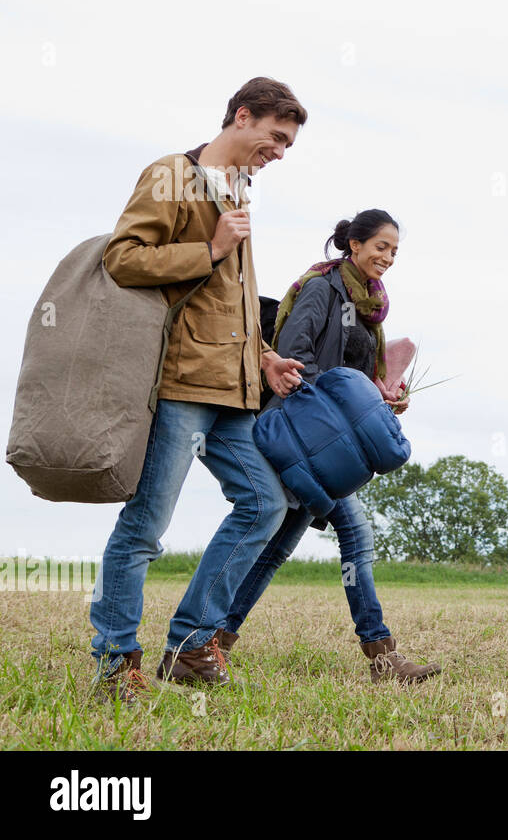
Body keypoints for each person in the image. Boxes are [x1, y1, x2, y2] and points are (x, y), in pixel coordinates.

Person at [91, 77, 308, 703]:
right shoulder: (171, 176)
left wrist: (264, 357)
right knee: (145, 526)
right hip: (183, 382)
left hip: (234, 388)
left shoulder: (239, 188)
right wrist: (209, 246)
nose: (280, 152)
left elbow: (228, 300)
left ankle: (188, 645)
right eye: (276, 137)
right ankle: (114, 660)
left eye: (288, 144)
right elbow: (122, 257)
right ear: (242, 116)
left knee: (266, 505)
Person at [222, 209, 441, 684]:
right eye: (381, 247)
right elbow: (294, 359)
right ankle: (384, 658)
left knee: (275, 548)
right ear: (355, 245)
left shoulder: (367, 306)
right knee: (354, 535)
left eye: (395, 251)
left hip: (328, 446)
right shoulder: (321, 289)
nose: (388, 257)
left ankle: (214, 640)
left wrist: (380, 398)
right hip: (302, 435)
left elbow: (355, 378)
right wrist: (355, 402)